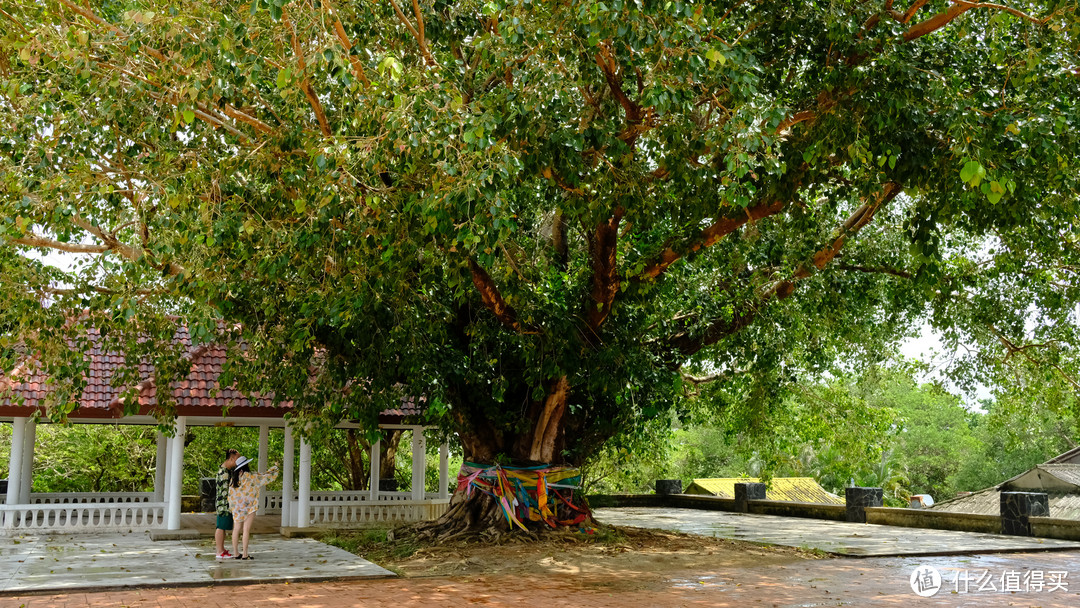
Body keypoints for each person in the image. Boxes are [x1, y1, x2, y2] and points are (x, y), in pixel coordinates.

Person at [228, 455, 279, 560]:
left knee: (236, 529)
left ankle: (236, 553)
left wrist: (234, 506)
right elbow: (266, 476)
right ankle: (245, 554)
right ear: (246, 465)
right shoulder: (252, 477)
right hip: (250, 506)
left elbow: (230, 495)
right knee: (246, 529)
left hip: (237, 507)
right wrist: (275, 468)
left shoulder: (233, 479)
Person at [214, 449, 240, 560]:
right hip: (224, 504)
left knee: (223, 527)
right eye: (237, 459)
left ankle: (221, 549)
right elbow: (227, 490)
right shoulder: (224, 473)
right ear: (232, 458)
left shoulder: (225, 470)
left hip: (224, 504)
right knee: (220, 527)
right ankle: (219, 551)